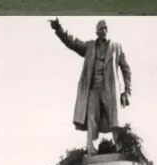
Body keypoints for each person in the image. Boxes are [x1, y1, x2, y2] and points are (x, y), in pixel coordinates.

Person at [49, 18, 132, 155]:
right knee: (92, 116)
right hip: (93, 88)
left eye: (105, 28)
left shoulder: (116, 47)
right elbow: (72, 42)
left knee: (114, 117)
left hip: (110, 89)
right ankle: (90, 147)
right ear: (96, 32)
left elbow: (126, 69)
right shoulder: (89, 47)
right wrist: (59, 29)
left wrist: (127, 91)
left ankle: (118, 145)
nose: (104, 30)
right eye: (101, 29)